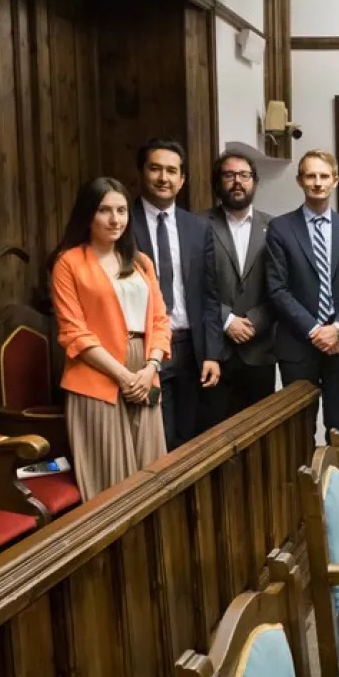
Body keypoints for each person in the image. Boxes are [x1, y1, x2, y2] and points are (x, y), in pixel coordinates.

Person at [50, 177, 170, 500]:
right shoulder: (68, 263)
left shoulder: (141, 262)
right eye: (105, 210)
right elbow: (74, 332)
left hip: (144, 371)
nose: (115, 219)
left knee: (152, 474)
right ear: (88, 214)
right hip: (97, 376)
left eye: (122, 210)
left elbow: (160, 321)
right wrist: (123, 375)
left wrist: (150, 368)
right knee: (111, 483)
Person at [131, 138, 220, 450]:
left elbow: (210, 295)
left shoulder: (197, 227)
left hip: (190, 347)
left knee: (190, 438)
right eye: (155, 169)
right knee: (158, 439)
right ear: (142, 172)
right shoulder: (123, 222)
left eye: (171, 171)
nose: (163, 178)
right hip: (144, 347)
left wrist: (212, 353)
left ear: (182, 179)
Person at [267, 150, 339, 441]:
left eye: (324, 176)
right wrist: (315, 331)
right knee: (299, 431)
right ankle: (302, 475)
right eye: (311, 176)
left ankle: (337, 474)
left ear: (335, 180)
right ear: (299, 180)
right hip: (297, 345)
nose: (317, 182)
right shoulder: (280, 228)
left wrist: (337, 328)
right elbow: (277, 289)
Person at [202, 150, 275, 426]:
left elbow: (281, 287)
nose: (237, 182)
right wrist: (227, 320)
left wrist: (255, 321)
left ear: (254, 181)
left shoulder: (275, 227)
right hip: (214, 352)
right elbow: (193, 284)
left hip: (260, 351)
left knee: (259, 434)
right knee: (213, 434)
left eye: (244, 175)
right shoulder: (198, 225)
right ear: (217, 181)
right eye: (229, 175)